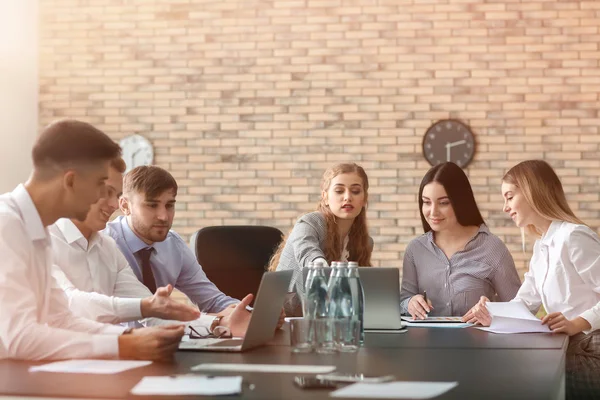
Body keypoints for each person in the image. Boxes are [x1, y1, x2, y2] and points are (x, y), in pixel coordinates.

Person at [0, 119, 183, 361]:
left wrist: (127, 337)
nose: (105, 198)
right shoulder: (6, 225)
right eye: (100, 185)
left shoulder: (37, 230)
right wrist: (123, 346)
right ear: (71, 181)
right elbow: (20, 338)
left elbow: (61, 318)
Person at [50, 157, 251, 337]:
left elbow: (155, 313)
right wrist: (147, 307)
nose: (113, 205)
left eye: (169, 205)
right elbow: (71, 303)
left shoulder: (106, 247)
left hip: (113, 354)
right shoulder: (43, 240)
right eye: (106, 193)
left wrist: (223, 322)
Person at [464, 160, 600, 398]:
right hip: (566, 348)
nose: (505, 207)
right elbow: (524, 304)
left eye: (509, 196)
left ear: (531, 191)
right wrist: (489, 312)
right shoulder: (542, 245)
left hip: (591, 351)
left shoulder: (574, 236)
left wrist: (575, 323)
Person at [400, 162, 521, 319]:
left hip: (479, 342)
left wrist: (491, 312)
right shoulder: (416, 250)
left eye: (444, 203)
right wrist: (410, 303)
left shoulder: (492, 248)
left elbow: (518, 308)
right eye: (427, 202)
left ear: (460, 201)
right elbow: (402, 301)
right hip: (425, 341)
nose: (433, 211)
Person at [268, 162, 373, 316]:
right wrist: (320, 266)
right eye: (339, 191)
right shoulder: (309, 222)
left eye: (356, 191)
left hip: (332, 319)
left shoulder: (365, 242)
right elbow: (308, 254)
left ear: (364, 199)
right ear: (325, 197)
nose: (347, 197)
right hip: (286, 318)